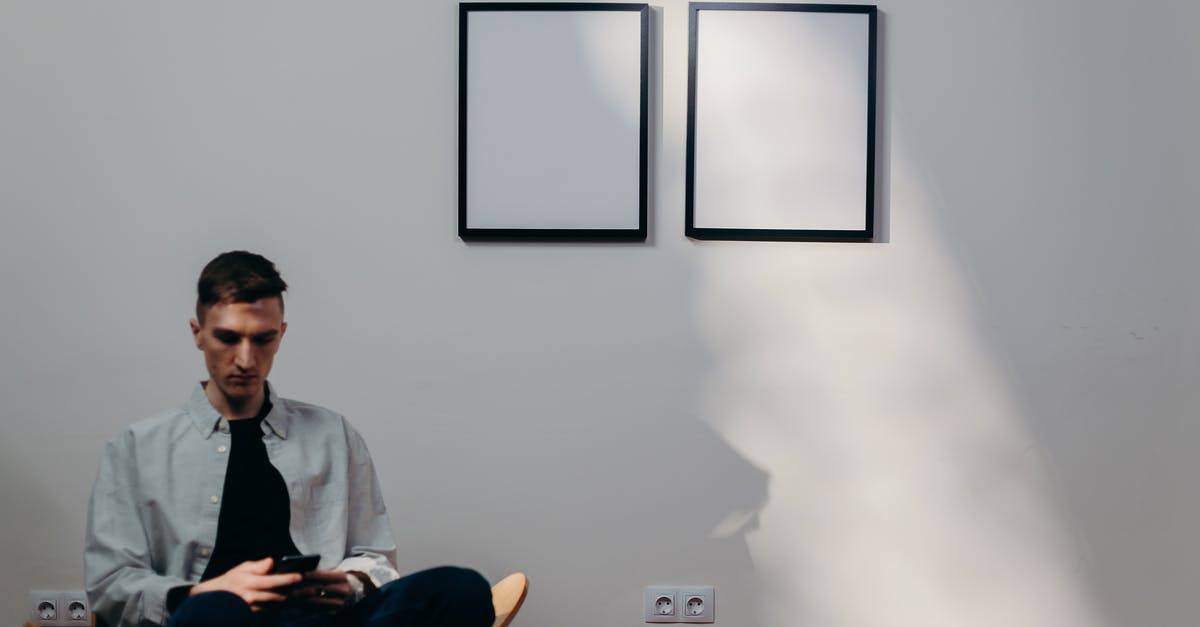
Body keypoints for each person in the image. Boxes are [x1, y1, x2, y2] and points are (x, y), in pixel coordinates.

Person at [84, 251, 496, 627]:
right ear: (198, 333)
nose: (245, 359)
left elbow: (376, 556)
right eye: (228, 338)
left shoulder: (333, 434)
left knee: (461, 588)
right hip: (213, 620)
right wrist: (202, 592)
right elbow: (111, 586)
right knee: (215, 611)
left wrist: (349, 582)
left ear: (280, 335)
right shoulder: (137, 448)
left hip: (320, 621)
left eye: (262, 339)